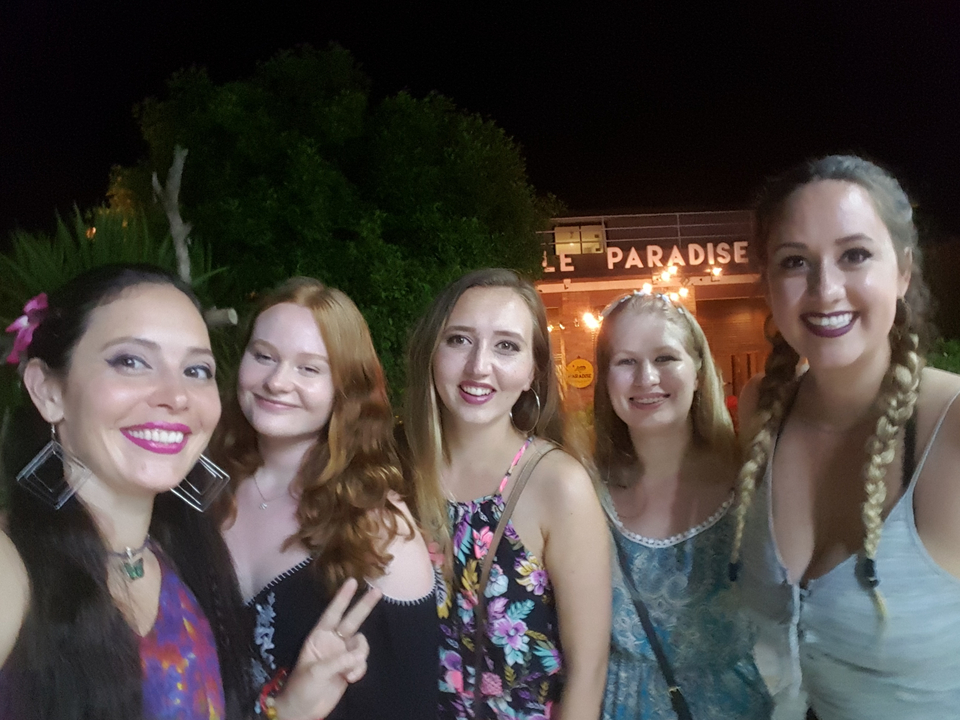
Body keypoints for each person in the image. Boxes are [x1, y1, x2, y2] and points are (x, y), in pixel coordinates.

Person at [0, 265, 378, 720]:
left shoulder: (185, 553)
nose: (176, 396)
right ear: (48, 390)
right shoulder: (12, 566)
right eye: (131, 361)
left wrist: (290, 708)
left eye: (197, 370)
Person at [729, 155, 960, 719]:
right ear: (769, 285)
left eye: (854, 255)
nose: (825, 288)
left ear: (903, 271)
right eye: (794, 262)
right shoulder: (764, 407)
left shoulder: (951, 427)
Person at [213, 277, 437, 720]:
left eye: (309, 368)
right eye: (263, 356)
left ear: (346, 389)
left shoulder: (378, 528)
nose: (277, 381)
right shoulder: (202, 490)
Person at [403, 268, 611, 720]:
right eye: (458, 340)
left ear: (532, 370)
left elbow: (587, 674)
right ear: (431, 352)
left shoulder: (557, 484)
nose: (479, 366)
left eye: (506, 346)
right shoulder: (392, 471)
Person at [592, 290, 772, 720]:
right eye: (626, 361)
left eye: (665, 358)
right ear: (605, 379)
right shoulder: (584, 492)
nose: (646, 378)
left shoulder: (751, 480)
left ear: (697, 371)